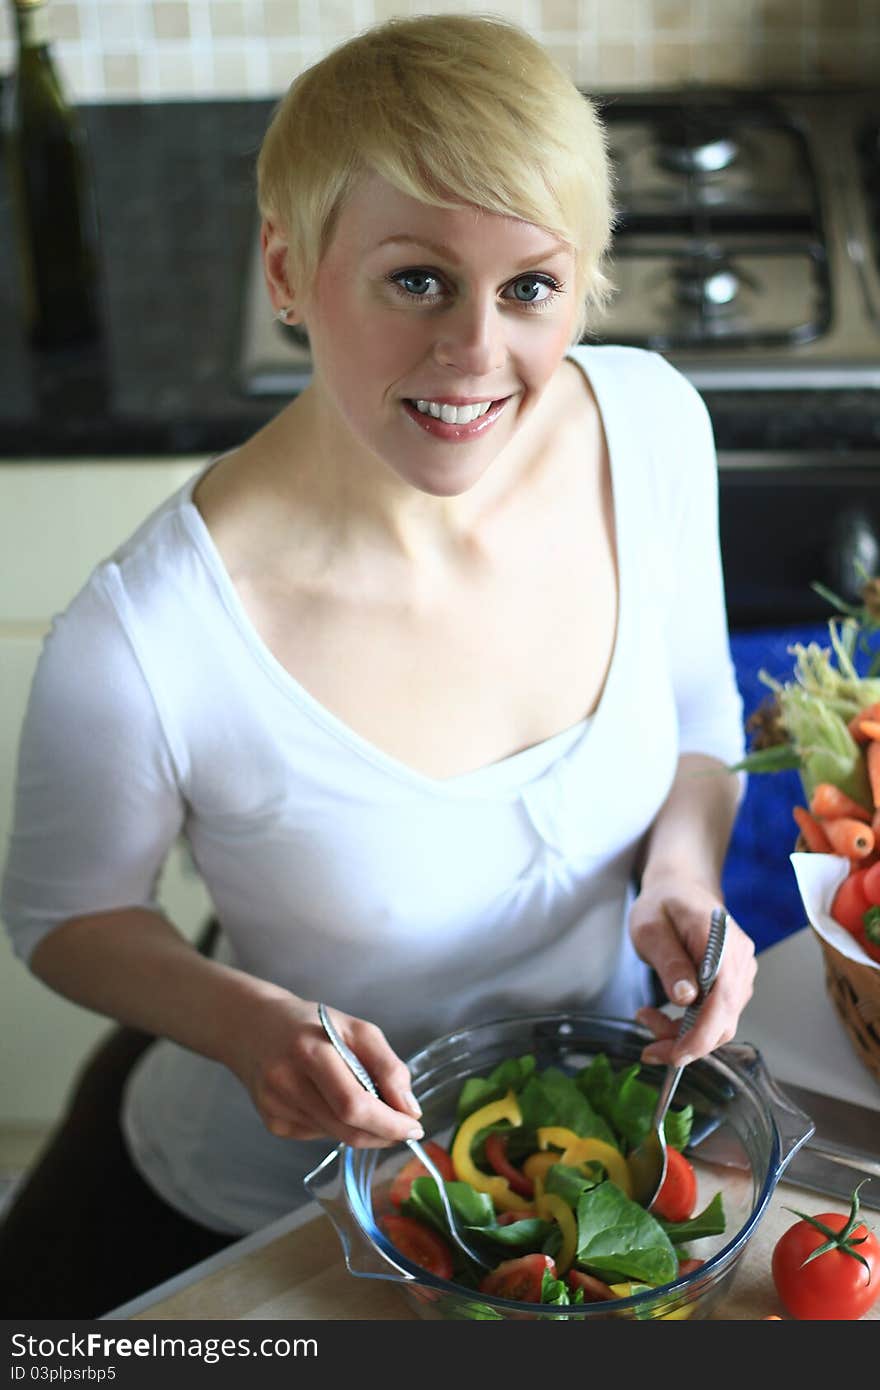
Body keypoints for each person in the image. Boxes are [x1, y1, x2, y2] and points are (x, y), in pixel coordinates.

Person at [0, 13, 755, 1318]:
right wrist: (245, 1024)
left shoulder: (649, 426)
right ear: (288, 269)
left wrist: (680, 876)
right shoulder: (147, 634)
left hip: (580, 1166)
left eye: (530, 286)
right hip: (260, 1220)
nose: (474, 354)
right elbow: (63, 921)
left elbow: (699, 714)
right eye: (416, 279)